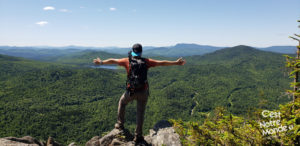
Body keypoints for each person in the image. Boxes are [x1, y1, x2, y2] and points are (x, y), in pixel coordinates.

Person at [93, 43, 186, 143]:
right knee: (140, 113)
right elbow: (161, 63)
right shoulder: (146, 61)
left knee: (122, 102)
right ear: (141, 52)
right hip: (143, 91)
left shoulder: (127, 60)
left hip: (131, 91)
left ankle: (120, 125)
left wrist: (101, 62)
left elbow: (113, 60)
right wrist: (176, 63)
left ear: (132, 51)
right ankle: (138, 136)